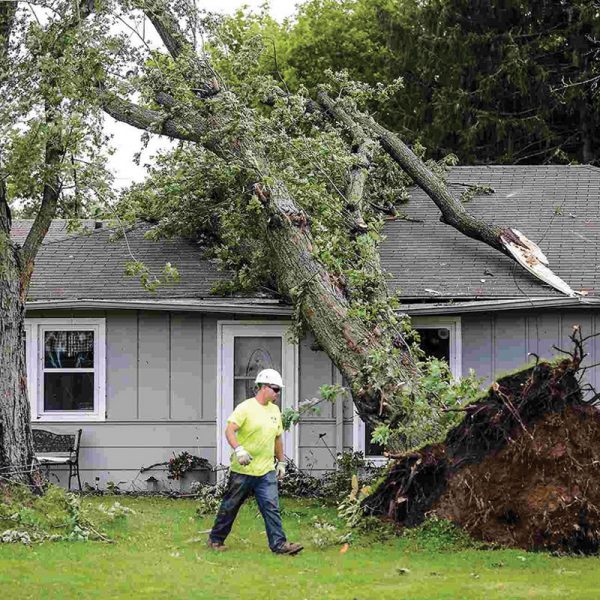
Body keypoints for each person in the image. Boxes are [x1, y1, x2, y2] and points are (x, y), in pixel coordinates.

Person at [207, 368, 304, 555]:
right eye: (275, 389)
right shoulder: (246, 408)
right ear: (264, 387)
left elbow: (277, 439)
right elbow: (229, 430)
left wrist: (281, 463)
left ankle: (279, 545)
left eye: (279, 390)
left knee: (271, 507)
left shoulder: (275, 410)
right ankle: (216, 539)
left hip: (266, 471)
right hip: (243, 470)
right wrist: (239, 449)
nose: (277, 393)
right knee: (230, 506)